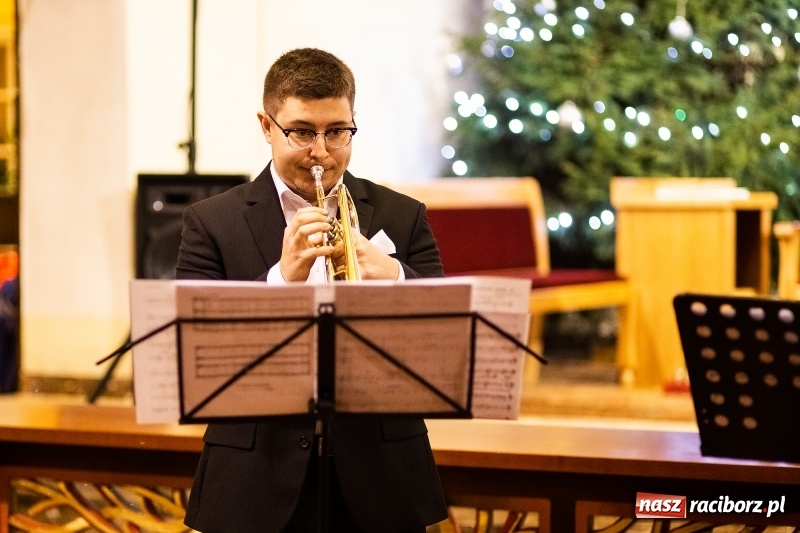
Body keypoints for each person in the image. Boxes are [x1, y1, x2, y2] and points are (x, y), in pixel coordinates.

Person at [176, 48, 449, 533]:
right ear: (267, 126)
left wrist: (395, 276)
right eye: (302, 132)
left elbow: (448, 340)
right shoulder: (211, 222)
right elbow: (195, 349)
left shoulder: (402, 215)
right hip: (254, 477)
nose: (321, 152)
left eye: (337, 131)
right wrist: (282, 278)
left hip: (383, 475)